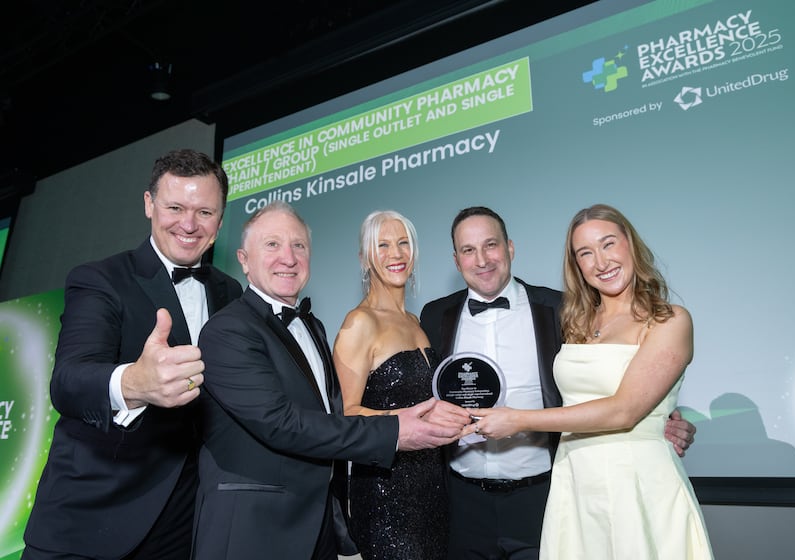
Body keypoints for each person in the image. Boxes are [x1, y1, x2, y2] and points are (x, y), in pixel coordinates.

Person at [419, 206, 697, 560]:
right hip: (462, 502)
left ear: (510, 248)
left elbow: (622, 388)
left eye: (491, 245)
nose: (482, 260)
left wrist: (663, 418)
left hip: (545, 497)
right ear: (456, 261)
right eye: (468, 250)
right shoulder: (433, 316)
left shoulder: (562, 310)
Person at [192, 201, 463, 560]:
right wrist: (397, 428)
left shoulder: (313, 327)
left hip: (321, 522)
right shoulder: (227, 330)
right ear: (243, 259)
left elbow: (328, 413)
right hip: (257, 527)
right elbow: (283, 423)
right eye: (272, 245)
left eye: (298, 246)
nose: (288, 258)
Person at [22, 149, 243, 560]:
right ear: (148, 204)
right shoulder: (100, 279)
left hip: (184, 524)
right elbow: (68, 382)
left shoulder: (231, 293)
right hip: (89, 523)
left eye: (205, 212)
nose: (189, 224)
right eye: (175, 207)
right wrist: (134, 384)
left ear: (221, 217)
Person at [332, 210, 469, 559]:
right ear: (365, 259)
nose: (396, 253)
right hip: (386, 495)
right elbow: (344, 415)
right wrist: (405, 420)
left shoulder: (415, 322)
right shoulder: (359, 322)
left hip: (432, 489)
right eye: (383, 245)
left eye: (403, 243)